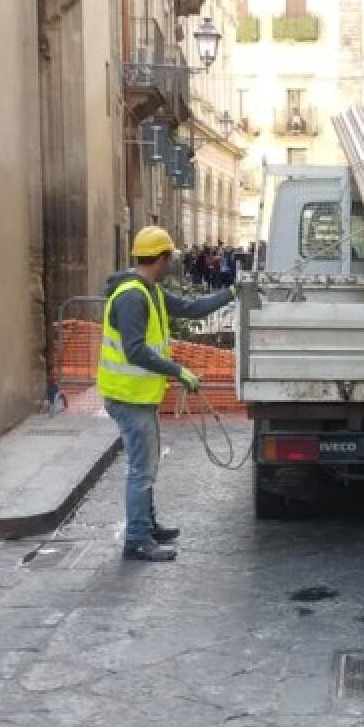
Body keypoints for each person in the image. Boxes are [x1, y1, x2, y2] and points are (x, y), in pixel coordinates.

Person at [98, 225, 236, 562]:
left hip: (138, 395)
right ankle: (137, 540)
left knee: (146, 464)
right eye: (169, 258)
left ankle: (147, 525)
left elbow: (191, 309)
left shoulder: (150, 291)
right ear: (159, 258)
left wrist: (232, 293)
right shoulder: (133, 296)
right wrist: (177, 370)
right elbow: (134, 350)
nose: (172, 263)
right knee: (141, 469)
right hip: (128, 397)